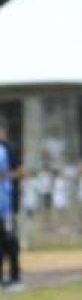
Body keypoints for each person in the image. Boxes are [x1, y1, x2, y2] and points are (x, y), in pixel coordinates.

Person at [0, 122, 21, 291]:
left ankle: (15, 277)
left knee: (9, 240)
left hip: (6, 203)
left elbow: (21, 171)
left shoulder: (7, 149)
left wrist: (5, 176)